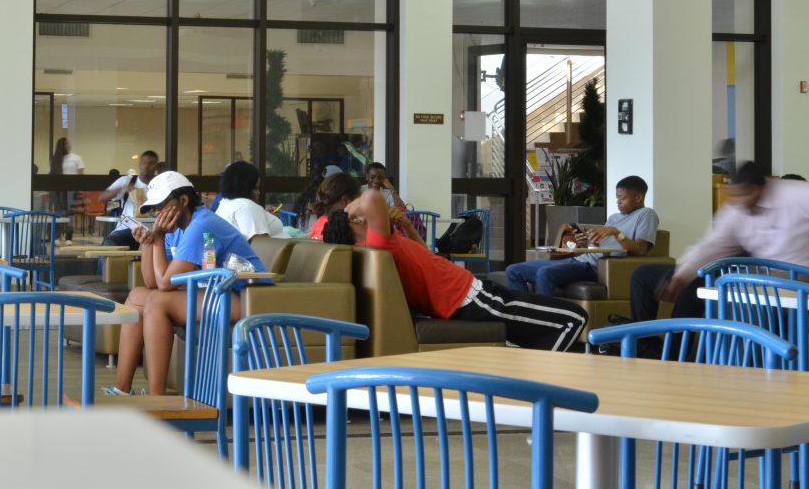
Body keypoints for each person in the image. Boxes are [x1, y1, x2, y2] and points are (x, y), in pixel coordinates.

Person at [325, 189, 587, 351]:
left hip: (471, 294)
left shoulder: (377, 247)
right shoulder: (376, 243)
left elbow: (427, 258)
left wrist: (408, 225)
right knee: (573, 319)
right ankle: (543, 389)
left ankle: (532, 373)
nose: (362, 218)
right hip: (472, 298)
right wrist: (350, 208)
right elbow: (371, 197)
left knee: (544, 327)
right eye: (356, 219)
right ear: (352, 225)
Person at [109, 171, 267, 396]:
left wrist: (159, 236)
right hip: (213, 291)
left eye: (162, 206)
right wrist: (149, 243)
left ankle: (157, 398)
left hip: (246, 296)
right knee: (137, 297)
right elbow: (151, 281)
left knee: (157, 302)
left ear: (183, 201)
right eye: (154, 209)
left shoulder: (201, 223)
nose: (157, 213)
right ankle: (121, 390)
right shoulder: (176, 228)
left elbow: (164, 284)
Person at [627, 162, 809, 323]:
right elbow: (711, 245)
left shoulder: (795, 194)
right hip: (759, 276)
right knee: (702, 286)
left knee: (738, 303)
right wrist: (680, 277)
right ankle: (657, 351)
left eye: (741, 196)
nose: (736, 203)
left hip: (799, 276)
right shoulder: (736, 209)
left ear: (756, 190)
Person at [505, 175, 659, 296]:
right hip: (578, 259)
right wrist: (584, 242)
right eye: (617, 197)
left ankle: (547, 325)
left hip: (592, 267)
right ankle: (526, 316)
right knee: (513, 270)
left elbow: (641, 250)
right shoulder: (614, 217)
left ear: (638, 197)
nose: (618, 202)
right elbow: (599, 245)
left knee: (545, 274)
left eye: (622, 198)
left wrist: (615, 232)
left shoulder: (646, 215)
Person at [98, 150, 158, 248]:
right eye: (144, 163)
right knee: (110, 244)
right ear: (139, 165)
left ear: (155, 167)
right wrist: (123, 189)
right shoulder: (127, 181)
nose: (146, 166)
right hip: (128, 228)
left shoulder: (160, 185)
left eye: (150, 164)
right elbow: (102, 198)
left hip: (152, 231)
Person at [215, 161, 283, 243]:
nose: (259, 193)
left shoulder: (226, 202)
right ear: (244, 187)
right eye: (255, 188)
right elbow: (263, 246)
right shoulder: (246, 206)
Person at [49, 137, 83, 243]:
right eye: (65, 144)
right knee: (58, 213)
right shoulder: (55, 159)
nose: (67, 145)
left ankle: (69, 237)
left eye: (68, 143)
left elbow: (81, 173)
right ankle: (57, 237)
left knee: (70, 213)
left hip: (71, 189)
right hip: (58, 190)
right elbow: (50, 176)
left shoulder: (76, 158)